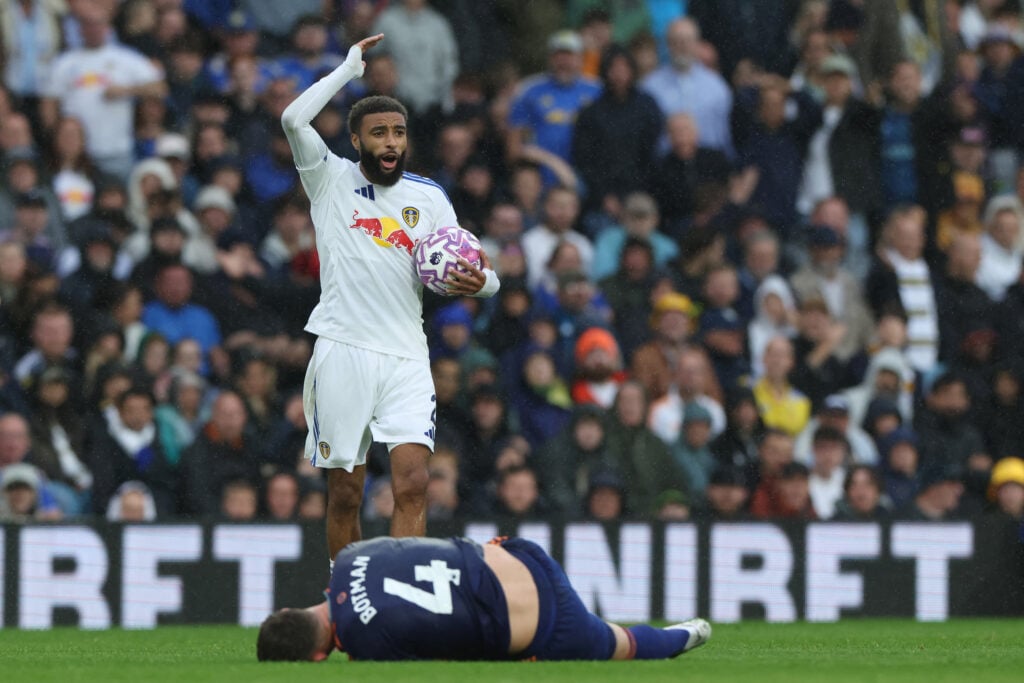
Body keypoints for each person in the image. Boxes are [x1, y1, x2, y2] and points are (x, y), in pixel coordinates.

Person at [280, 34, 500, 560]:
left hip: (407, 355)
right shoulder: (328, 178)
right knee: (346, 493)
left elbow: (476, 269)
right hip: (344, 348)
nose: (391, 141)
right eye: (378, 132)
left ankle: (401, 605)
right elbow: (292, 120)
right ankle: (346, 602)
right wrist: (346, 71)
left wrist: (484, 283)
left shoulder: (428, 197)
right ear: (356, 141)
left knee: (414, 483)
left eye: (398, 132)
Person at [256, 535, 711, 662]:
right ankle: (684, 631)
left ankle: (681, 638)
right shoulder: (351, 556)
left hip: (547, 624)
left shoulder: (365, 645)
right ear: (288, 609)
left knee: (621, 646)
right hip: (516, 552)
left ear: (316, 659)